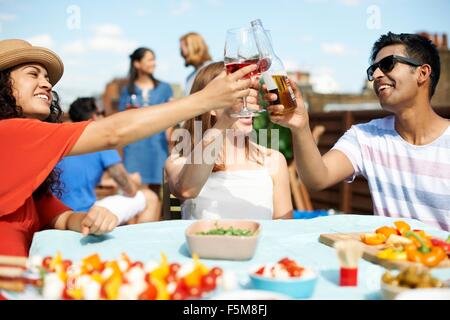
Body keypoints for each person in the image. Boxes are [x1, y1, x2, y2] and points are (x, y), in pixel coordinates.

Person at [0, 39, 258, 256]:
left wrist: (87, 219)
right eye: (33, 74)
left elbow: (61, 218)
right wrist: (204, 99)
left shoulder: (23, 151)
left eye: (47, 78)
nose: (46, 84)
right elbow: (113, 132)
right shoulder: (9, 132)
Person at [265, 32, 450, 231]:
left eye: (388, 64)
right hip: (389, 258)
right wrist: (300, 126)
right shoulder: (366, 137)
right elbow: (317, 178)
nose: (377, 76)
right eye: (373, 69)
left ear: (422, 73)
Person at [165, 62, 293, 220]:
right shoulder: (179, 161)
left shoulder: (273, 160)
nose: (247, 105)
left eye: (248, 96)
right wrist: (227, 118)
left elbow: (284, 229)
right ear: (210, 107)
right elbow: (186, 190)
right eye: (237, 97)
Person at [57, 97, 160, 225]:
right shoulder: (100, 139)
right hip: (83, 214)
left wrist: (107, 181)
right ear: (95, 117)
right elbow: (130, 190)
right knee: (150, 197)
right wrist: (133, 181)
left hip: (57, 215)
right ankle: (141, 244)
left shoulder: (62, 136)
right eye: (103, 113)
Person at [118, 47, 172, 203]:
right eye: (149, 59)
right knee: (134, 192)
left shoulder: (164, 88)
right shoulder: (127, 90)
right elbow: (121, 119)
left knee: (156, 191)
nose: (153, 63)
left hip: (157, 146)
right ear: (137, 63)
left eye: (154, 59)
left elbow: (170, 116)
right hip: (134, 148)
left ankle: (152, 225)